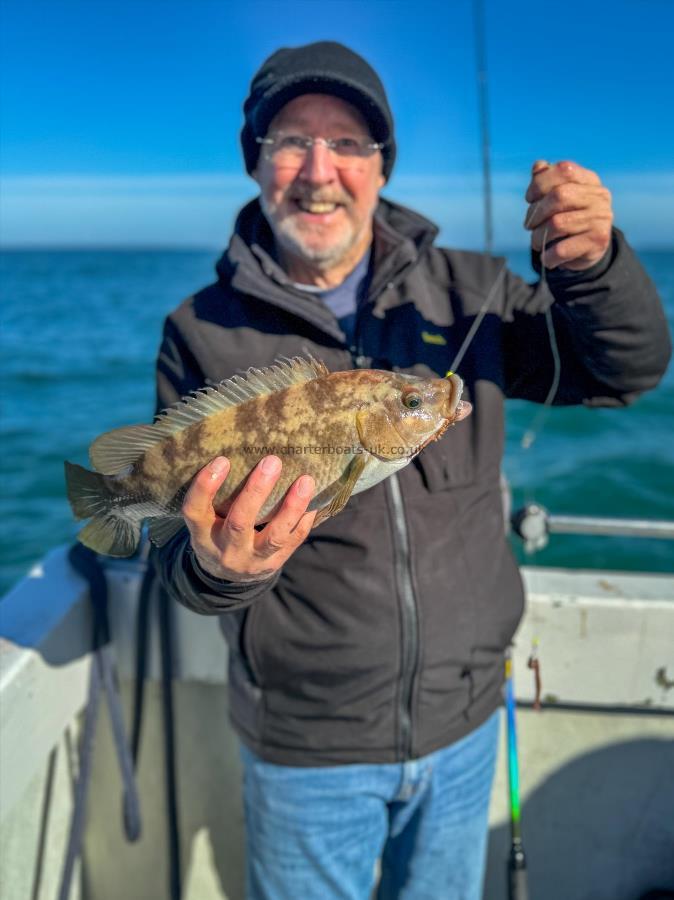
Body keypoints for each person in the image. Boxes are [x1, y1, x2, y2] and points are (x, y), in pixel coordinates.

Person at [155, 41, 670, 900]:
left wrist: (594, 268)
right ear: (255, 161)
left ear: (381, 167)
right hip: (305, 748)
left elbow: (624, 370)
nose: (319, 171)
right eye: (290, 140)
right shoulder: (199, 331)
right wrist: (216, 567)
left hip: (466, 729)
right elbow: (173, 552)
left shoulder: (475, 292)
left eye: (349, 144)